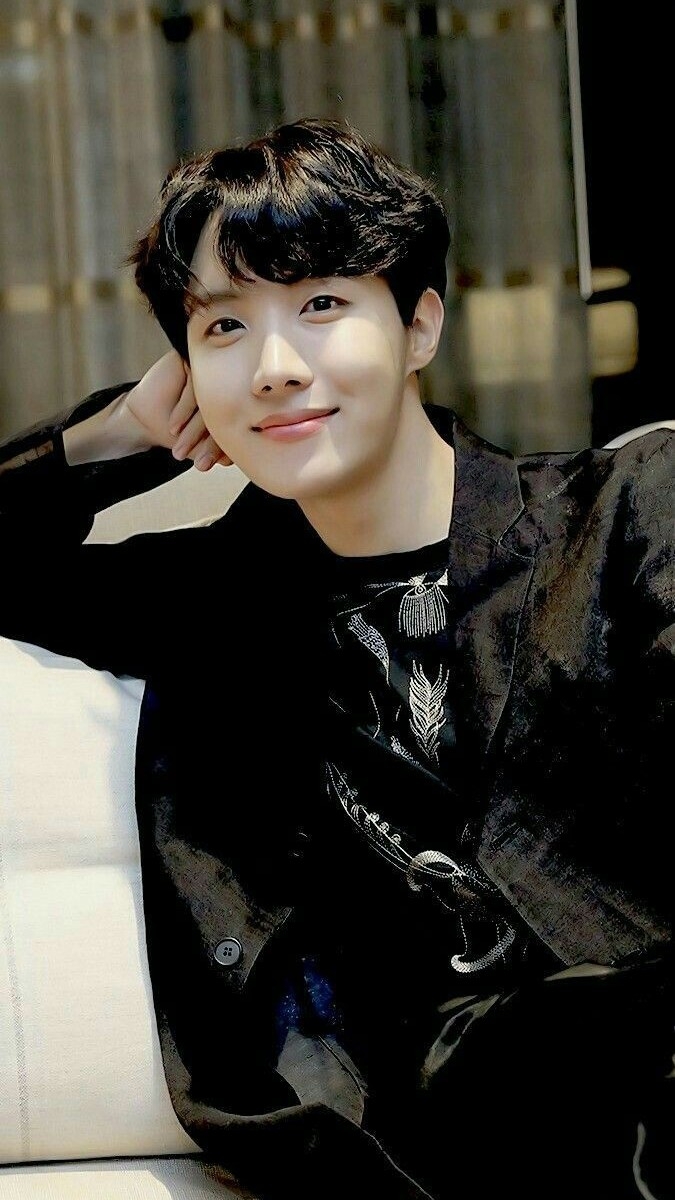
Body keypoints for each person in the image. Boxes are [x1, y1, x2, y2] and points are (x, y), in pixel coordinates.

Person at [0, 117, 672, 1200]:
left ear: (418, 326)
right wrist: (110, 437)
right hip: (429, 1140)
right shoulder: (208, 604)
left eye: (320, 305)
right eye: (224, 326)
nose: (274, 369)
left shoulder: (624, 516)